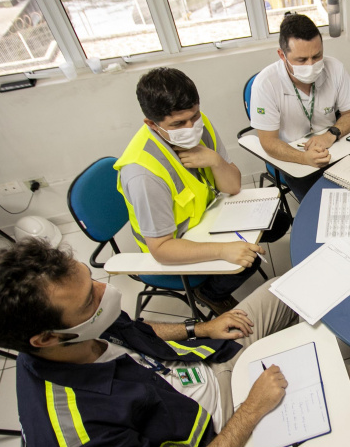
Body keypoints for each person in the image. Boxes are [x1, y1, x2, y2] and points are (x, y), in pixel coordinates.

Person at [0, 239, 350, 447]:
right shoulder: (75, 439)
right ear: (45, 339)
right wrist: (250, 410)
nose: (107, 291)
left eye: (91, 277)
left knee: (292, 285)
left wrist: (199, 326)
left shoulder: (82, 322)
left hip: (202, 360)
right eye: (89, 300)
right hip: (215, 425)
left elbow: (133, 327)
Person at [115, 67, 291, 314]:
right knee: (247, 257)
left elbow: (232, 186)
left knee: (279, 222)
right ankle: (209, 293)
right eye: (178, 123)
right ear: (152, 124)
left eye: (194, 116)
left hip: (210, 214)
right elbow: (161, 250)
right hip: (177, 242)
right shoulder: (143, 174)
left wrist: (215, 161)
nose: (191, 127)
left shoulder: (201, 124)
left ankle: (220, 274)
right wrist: (223, 250)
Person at [250, 13, 350, 200]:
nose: (311, 65)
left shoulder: (335, 68)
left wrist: (331, 134)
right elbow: (268, 142)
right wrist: (304, 158)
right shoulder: (265, 84)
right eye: (301, 60)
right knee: (321, 207)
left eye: (317, 56)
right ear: (282, 55)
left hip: (333, 146)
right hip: (294, 156)